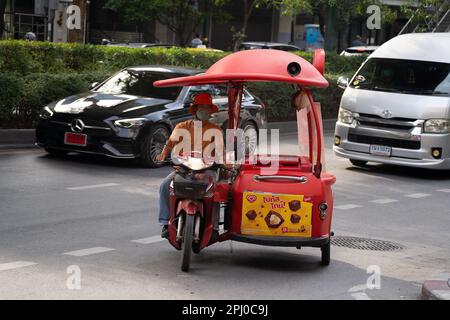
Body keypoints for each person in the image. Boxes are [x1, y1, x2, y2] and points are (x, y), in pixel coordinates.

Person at [156, 93, 223, 238]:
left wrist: (226, 163)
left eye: (207, 108)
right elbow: (169, 144)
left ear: (210, 111)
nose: (204, 110)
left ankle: (215, 228)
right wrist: (162, 155)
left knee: (216, 192)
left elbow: (221, 151)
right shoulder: (182, 126)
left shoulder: (215, 130)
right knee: (165, 186)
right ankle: (165, 222)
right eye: (202, 107)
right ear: (196, 109)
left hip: (207, 169)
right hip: (184, 169)